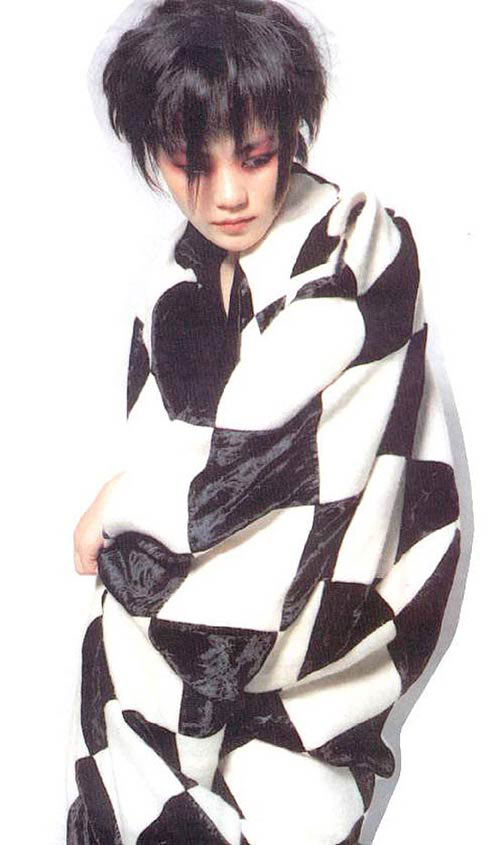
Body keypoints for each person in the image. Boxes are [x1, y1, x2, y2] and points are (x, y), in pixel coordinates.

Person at [69, 2, 462, 843]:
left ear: (292, 133)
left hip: (313, 683)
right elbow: (185, 469)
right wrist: (136, 528)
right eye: (191, 163)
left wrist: (120, 504)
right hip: (151, 683)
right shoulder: (171, 288)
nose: (228, 194)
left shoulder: (361, 252)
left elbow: (261, 460)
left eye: (255, 155)